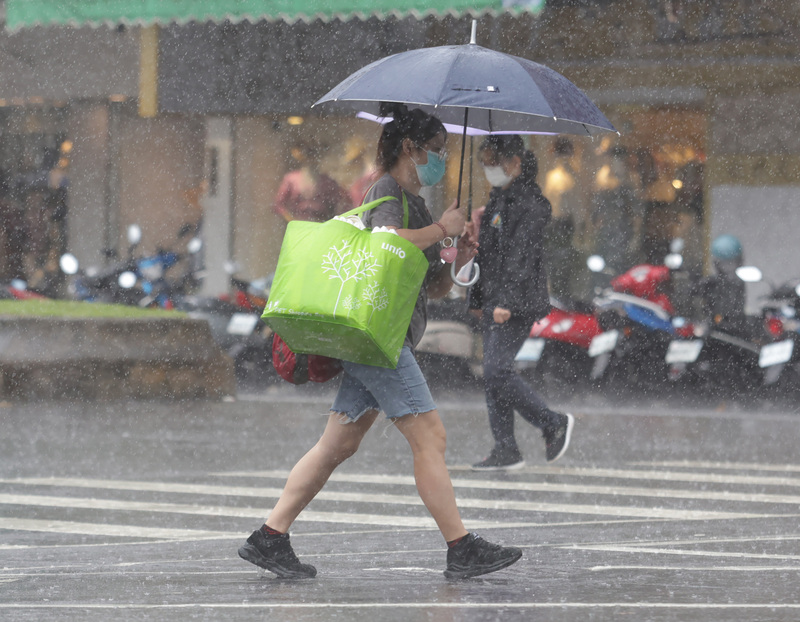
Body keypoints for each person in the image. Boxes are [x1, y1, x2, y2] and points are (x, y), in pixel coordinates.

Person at [238, 106, 523, 580]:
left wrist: (457, 254)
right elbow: (385, 243)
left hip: (382, 336)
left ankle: (270, 536)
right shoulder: (386, 191)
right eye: (436, 150)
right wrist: (439, 231)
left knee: (337, 444)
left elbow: (429, 286)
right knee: (430, 437)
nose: (441, 159)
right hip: (378, 340)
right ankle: (461, 547)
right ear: (410, 149)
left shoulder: (420, 205)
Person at [468, 135, 574, 471]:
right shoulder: (499, 199)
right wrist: (477, 296)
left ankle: (551, 422)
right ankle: (505, 448)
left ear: (514, 163)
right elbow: (487, 253)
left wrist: (505, 302)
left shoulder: (531, 204)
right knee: (492, 372)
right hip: (495, 298)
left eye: (493, 160)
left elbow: (521, 258)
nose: (488, 168)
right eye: (483, 160)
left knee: (497, 370)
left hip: (516, 301)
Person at [273, 142, 351, 222]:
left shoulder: (328, 181)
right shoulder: (291, 179)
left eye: (314, 155)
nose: (311, 159)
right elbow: (279, 205)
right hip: (299, 225)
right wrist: (291, 220)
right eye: (308, 155)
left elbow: (341, 201)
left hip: (321, 224)